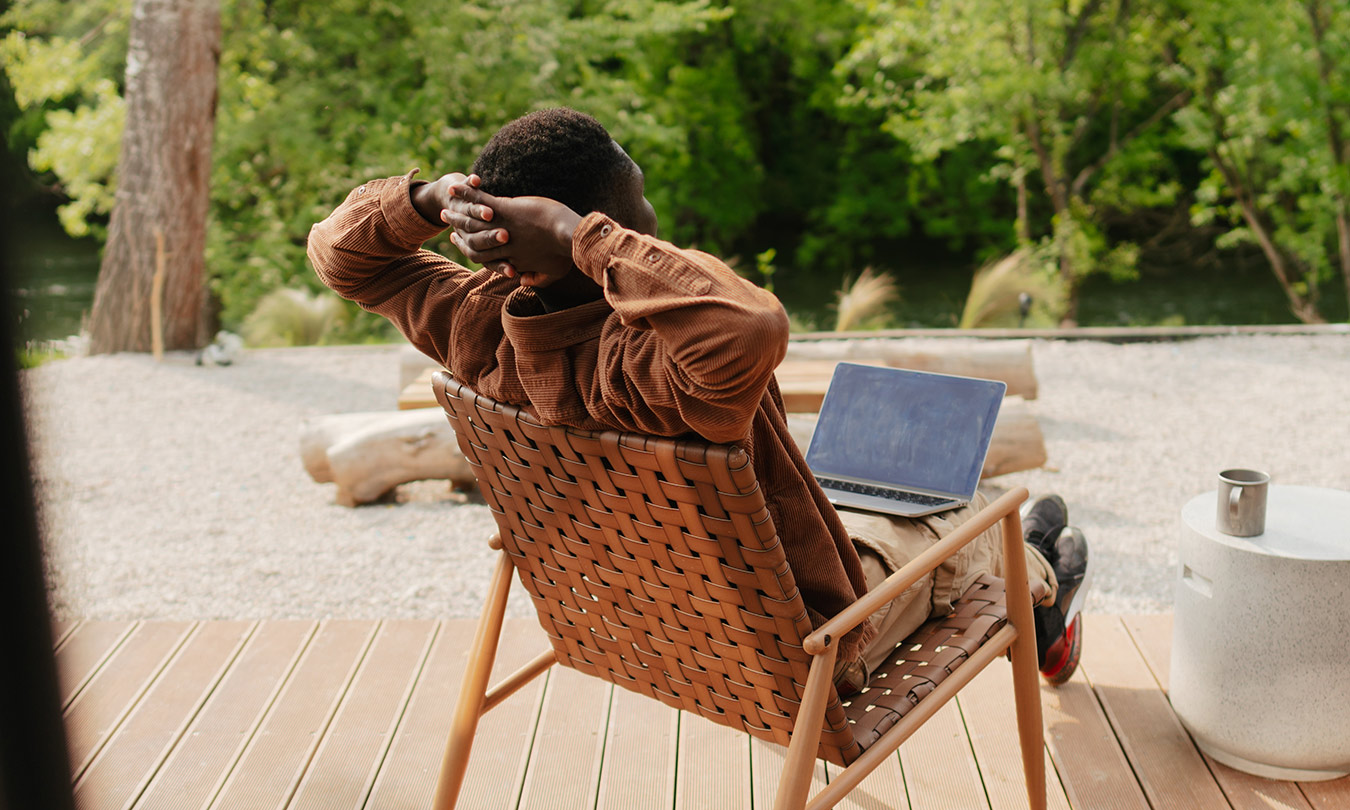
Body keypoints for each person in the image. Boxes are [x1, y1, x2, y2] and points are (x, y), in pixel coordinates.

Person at [306, 107, 1088, 688]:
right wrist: (582, 231)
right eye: (631, 212)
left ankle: (1010, 559)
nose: (650, 226)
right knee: (976, 511)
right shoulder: (653, 371)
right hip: (803, 647)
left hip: (636, 624)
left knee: (865, 499)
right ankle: (1044, 593)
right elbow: (751, 325)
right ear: (579, 232)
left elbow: (339, 254)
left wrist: (426, 201)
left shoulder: (477, 330)